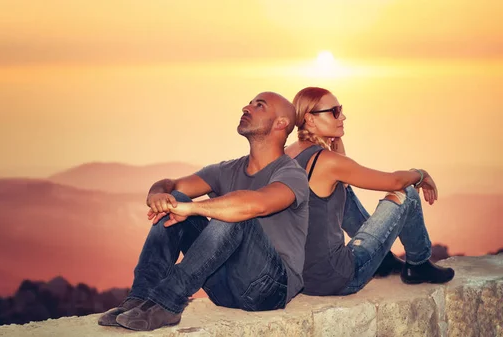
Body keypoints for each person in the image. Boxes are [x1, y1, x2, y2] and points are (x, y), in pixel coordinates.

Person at [98, 91, 309, 331]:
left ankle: (167, 303)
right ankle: (140, 297)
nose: (245, 108)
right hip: (224, 289)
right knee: (174, 200)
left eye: (259, 106)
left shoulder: (292, 174)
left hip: (270, 289)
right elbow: (171, 185)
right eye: (249, 103)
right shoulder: (226, 170)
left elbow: (256, 203)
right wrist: (158, 196)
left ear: (281, 123)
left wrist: (192, 208)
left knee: (235, 214)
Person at [284, 86, 454, 297]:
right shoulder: (326, 162)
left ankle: (383, 261)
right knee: (407, 193)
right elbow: (393, 181)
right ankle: (418, 264)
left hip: (301, 278)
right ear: (309, 119)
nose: (343, 116)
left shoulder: (287, 154)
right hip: (336, 278)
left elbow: (341, 185)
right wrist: (420, 174)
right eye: (334, 111)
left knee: (339, 192)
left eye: (341, 109)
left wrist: (332, 138)